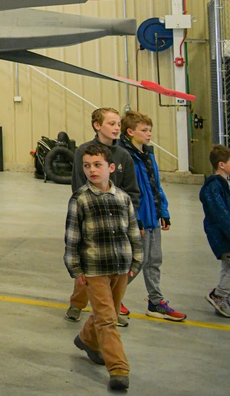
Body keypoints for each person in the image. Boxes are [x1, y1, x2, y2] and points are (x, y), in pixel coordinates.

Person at [65, 143, 142, 392]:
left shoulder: (123, 198)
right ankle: (119, 369)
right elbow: (72, 237)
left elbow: (132, 231)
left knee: (104, 313)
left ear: (110, 168)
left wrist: (137, 259)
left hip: (121, 266)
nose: (91, 170)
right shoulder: (80, 199)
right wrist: (76, 269)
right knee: (108, 320)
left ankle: (86, 339)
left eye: (97, 165)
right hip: (94, 268)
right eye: (86, 166)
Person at [66, 107, 140, 326]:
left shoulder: (124, 155)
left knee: (117, 272)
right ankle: (77, 304)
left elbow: (131, 190)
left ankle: (111, 311)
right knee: (89, 268)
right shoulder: (83, 152)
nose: (117, 128)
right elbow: (78, 185)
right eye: (112, 124)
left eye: (118, 124)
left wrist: (132, 219)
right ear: (98, 126)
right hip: (92, 221)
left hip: (118, 221)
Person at [118, 111, 186, 321]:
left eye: (150, 130)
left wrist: (162, 211)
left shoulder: (148, 155)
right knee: (136, 263)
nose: (149, 134)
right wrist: (134, 219)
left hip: (152, 218)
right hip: (137, 219)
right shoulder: (124, 156)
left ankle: (155, 302)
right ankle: (110, 296)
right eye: (144, 130)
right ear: (130, 132)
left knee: (154, 260)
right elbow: (127, 191)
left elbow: (155, 185)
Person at [200, 144, 230, 318]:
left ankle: (222, 296)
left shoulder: (223, 184)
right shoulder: (213, 187)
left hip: (225, 234)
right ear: (222, 164)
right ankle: (218, 294)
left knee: (227, 266)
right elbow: (221, 214)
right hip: (222, 236)